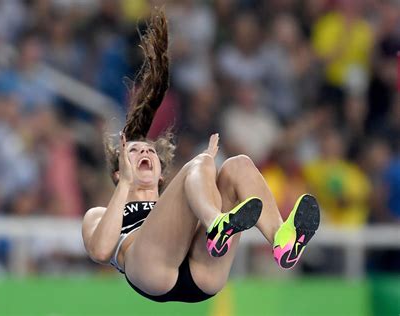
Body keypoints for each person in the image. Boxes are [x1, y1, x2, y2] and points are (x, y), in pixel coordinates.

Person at [81, 9, 320, 303]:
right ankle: (217, 223)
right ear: (118, 171)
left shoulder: (182, 198)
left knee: (238, 166)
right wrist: (124, 187)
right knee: (201, 162)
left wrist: (208, 179)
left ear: (160, 173)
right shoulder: (100, 214)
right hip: (151, 270)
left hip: (202, 273)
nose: (144, 150)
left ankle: (281, 240)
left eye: (149, 151)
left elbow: (190, 195)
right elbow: (101, 251)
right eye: (134, 151)